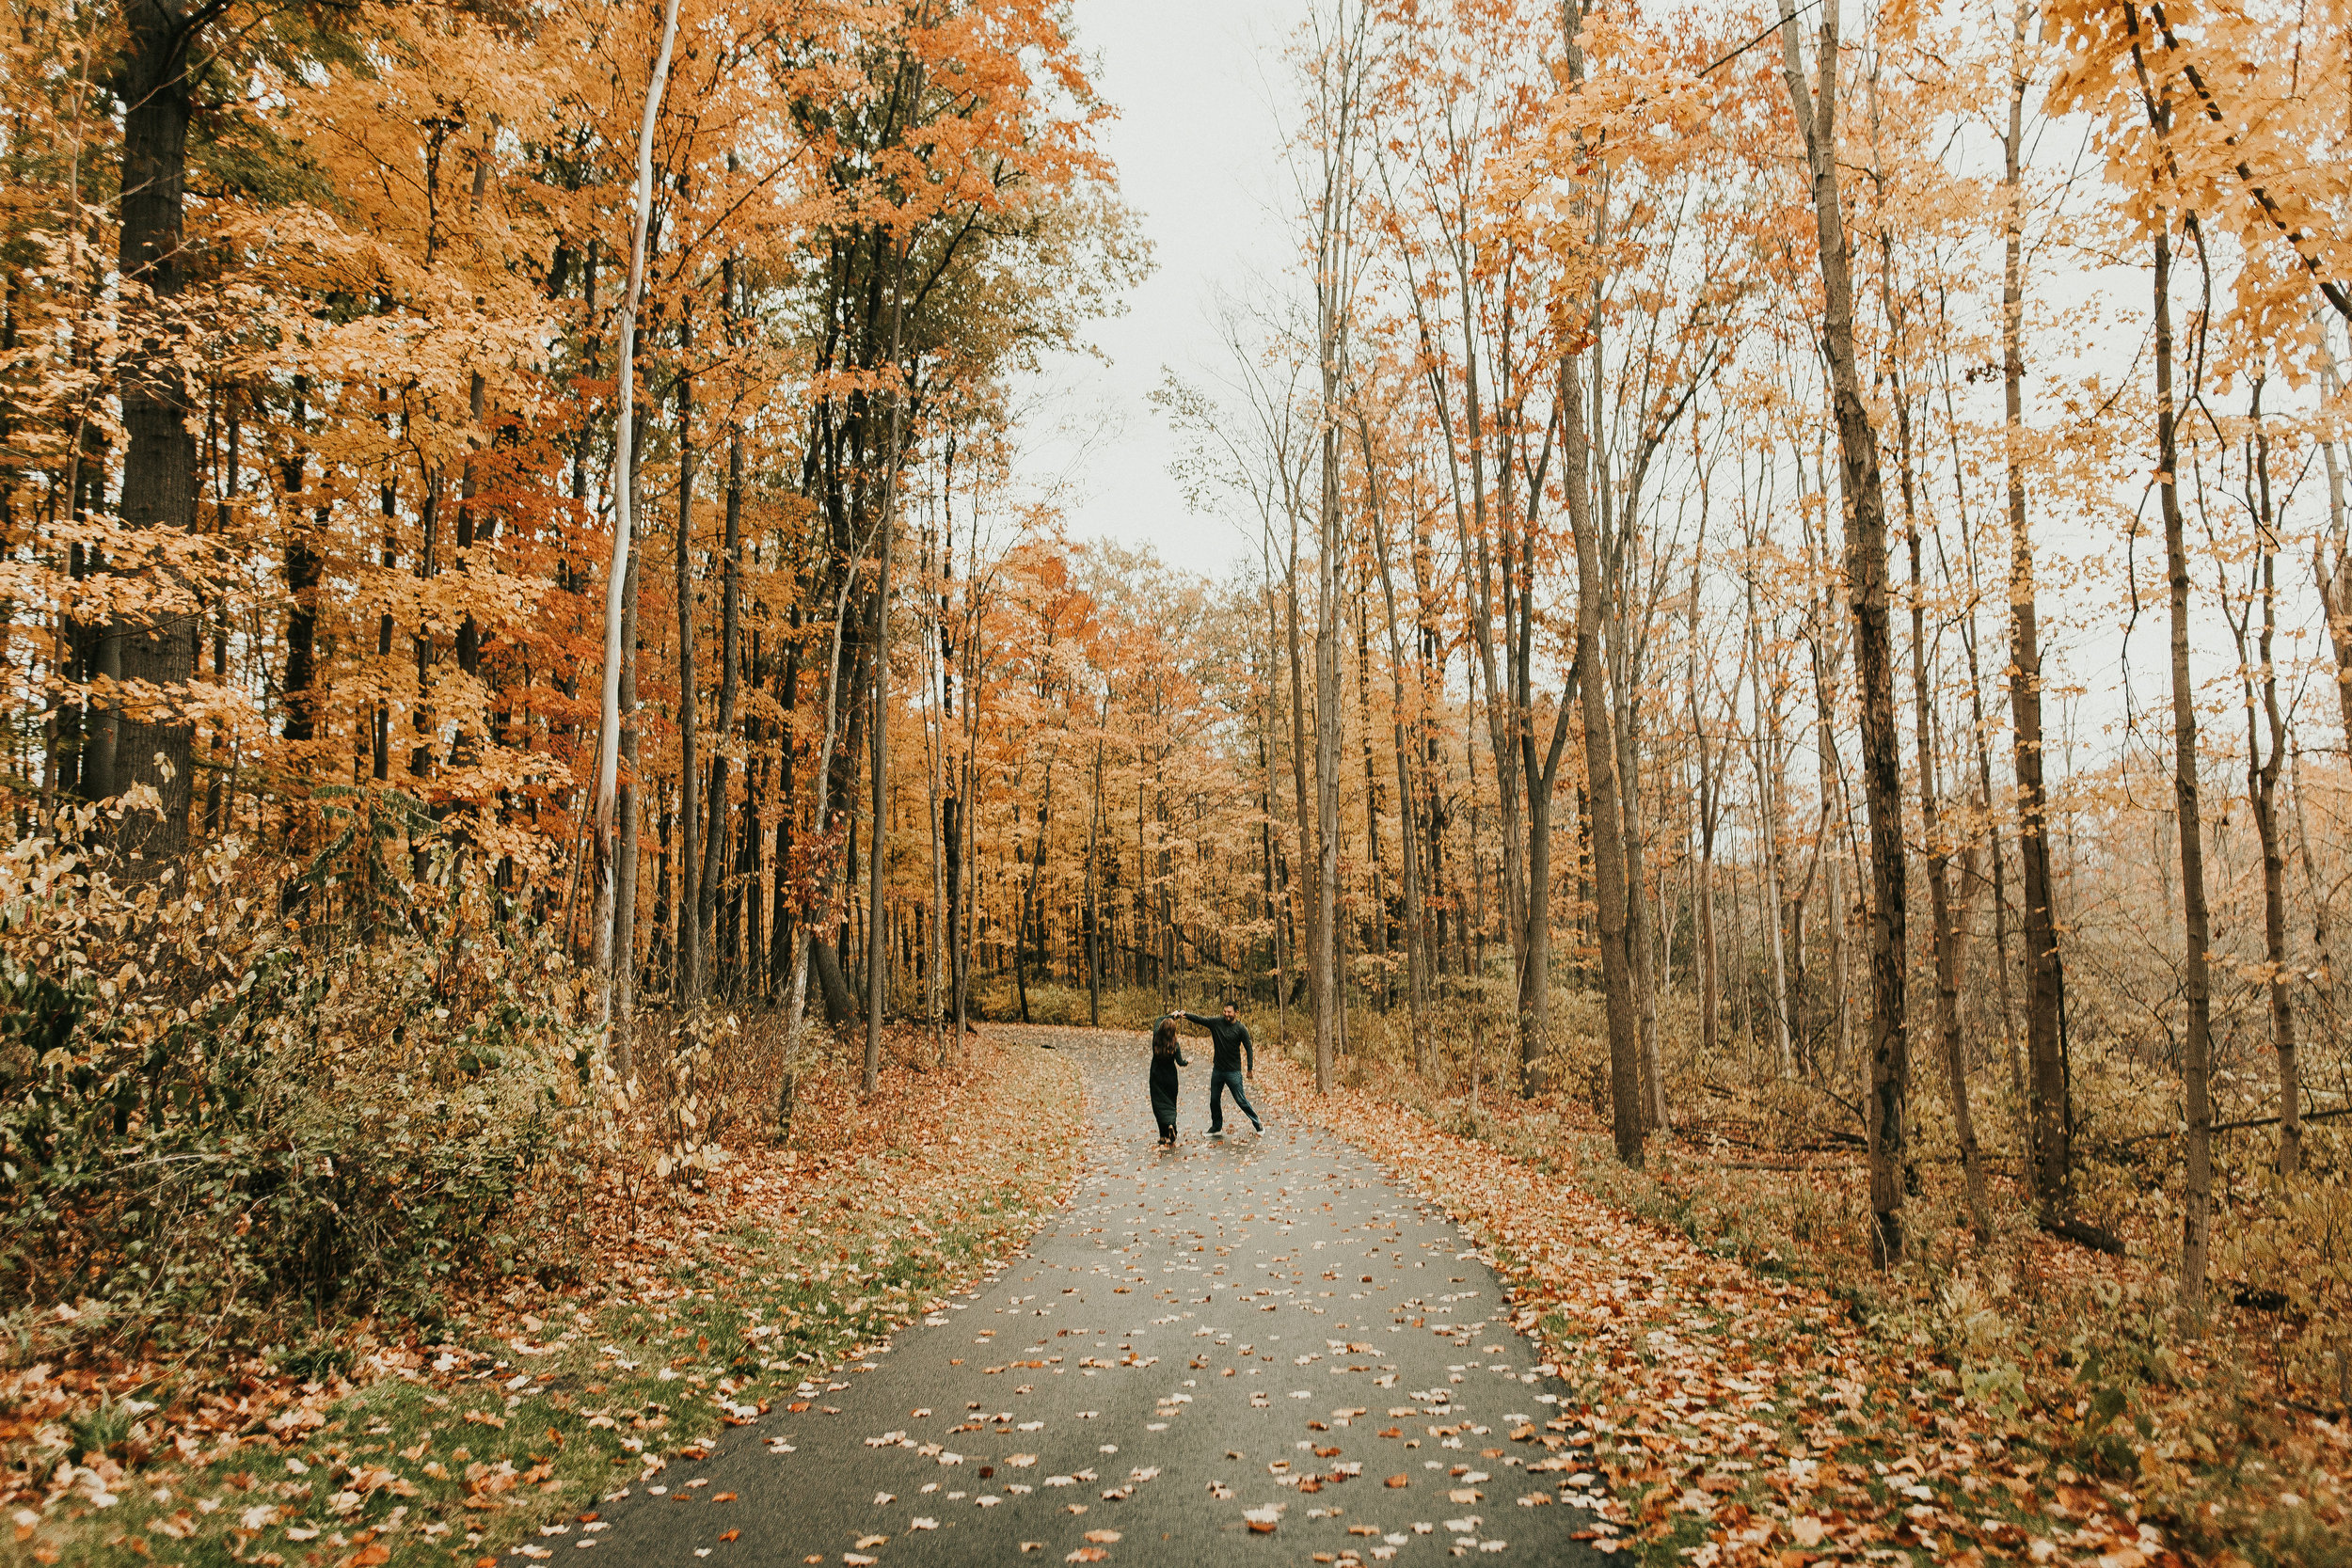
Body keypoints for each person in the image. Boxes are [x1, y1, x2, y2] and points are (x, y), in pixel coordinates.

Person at [1179, 1001, 1263, 1134]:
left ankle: (1257, 1123)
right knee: (1214, 1099)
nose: (1226, 1014)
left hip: (1233, 1071)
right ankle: (1216, 1127)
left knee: (1240, 1100)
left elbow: (1249, 1048)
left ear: (1236, 1012)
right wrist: (1186, 1015)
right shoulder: (1216, 1023)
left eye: (1229, 1012)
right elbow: (1201, 1020)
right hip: (1218, 1070)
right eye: (1225, 1011)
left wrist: (1250, 1069)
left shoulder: (1241, 1029)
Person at [1148, 1016, 1189, 1146]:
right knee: (1171, 1103)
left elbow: (1158, 1019)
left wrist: (1172, 1015)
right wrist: (1188, 1061)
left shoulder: (1156, 1039)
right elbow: (1181, 1062)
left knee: (1158, 1104)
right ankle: (1171, 1125)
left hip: (1156, 1075)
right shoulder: (1174, 1044)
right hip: (1170, 1077)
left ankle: (1162, 1135)